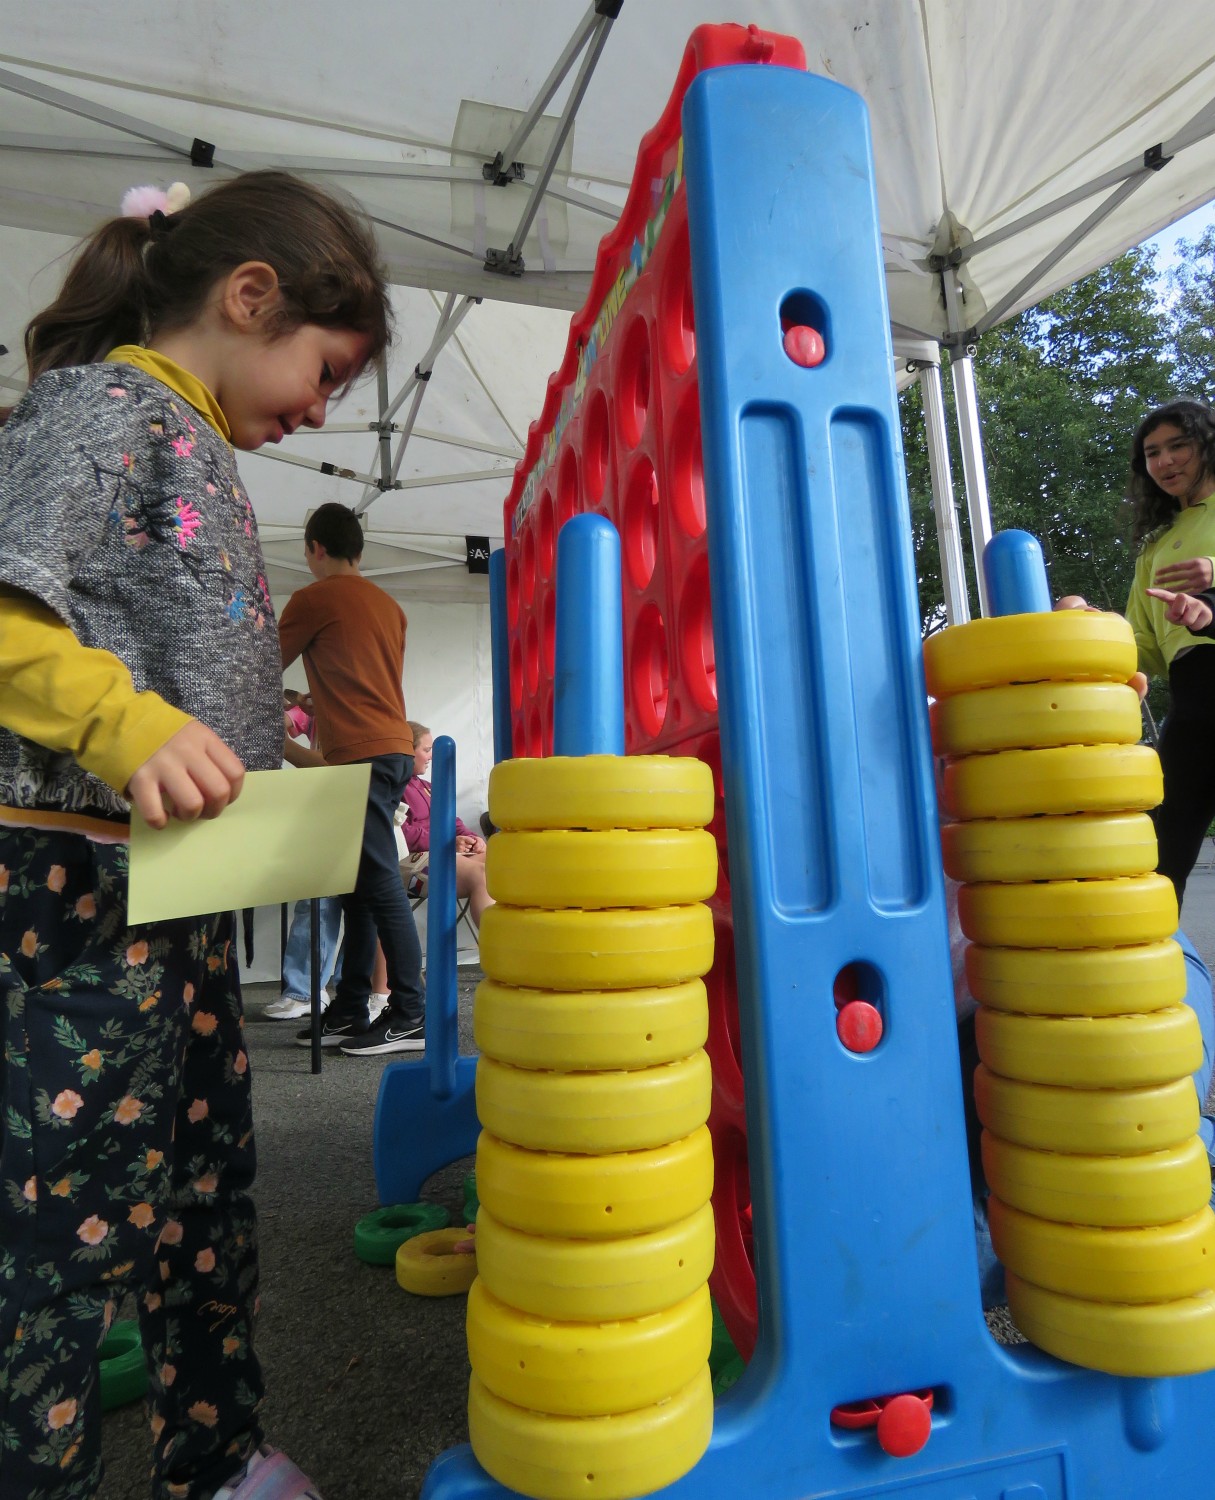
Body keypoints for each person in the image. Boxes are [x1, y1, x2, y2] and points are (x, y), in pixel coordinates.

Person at [0, 171, 390, 1500]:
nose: (322, 409)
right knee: (49, 1233)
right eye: (326, 371)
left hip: (176, 897)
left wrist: (242, 722)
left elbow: (144, 624)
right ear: (247, 297)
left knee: (202, 1204)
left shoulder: (194, 443)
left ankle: (217, 1456)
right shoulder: (100, 410)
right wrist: (126, 726)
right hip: (70, 890)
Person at [277, 504, 427, 1057]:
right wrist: (316, 700)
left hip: (359, 755)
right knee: (357, 881)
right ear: (357, 549)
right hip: (392, 747)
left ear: (315, 547)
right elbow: (368, 680)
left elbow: (258, 664)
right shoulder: (389, 606)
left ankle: (411, 1012)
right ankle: (351, 1003)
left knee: (378, 881)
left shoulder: (313, 598)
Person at [1121, 400, 1215, 909]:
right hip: (1192, 707)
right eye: (1153, 452)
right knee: (1155, 865)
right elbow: (1142, 652)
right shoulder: (1154, 551)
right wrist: (1087, 630)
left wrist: (1213, 578)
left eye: (1179, 444)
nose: (1166, 461)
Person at [398, 722, 494, 931]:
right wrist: (447, 843)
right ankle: (496, 953)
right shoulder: (391, 787)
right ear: (407, 751)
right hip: (407, 863)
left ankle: (521, 943)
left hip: (439, 853)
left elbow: (452, 822)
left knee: (506, 863)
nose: (432, 756)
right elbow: (400, 833)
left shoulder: (428, 787)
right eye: (426, 750)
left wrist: (473, 840)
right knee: (478, 874)